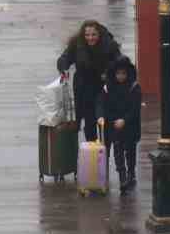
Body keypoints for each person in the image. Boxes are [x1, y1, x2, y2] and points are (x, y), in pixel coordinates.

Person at [56, 20, 121, 141]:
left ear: (99, 34)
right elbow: (65, 58)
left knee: (104, 120)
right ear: (83, 35)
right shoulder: (76, 44)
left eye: (93, 35)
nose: (90, 38)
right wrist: (63, 68)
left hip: (103, 87)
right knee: (89, 121)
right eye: (87, 35)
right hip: (83, 87)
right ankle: (92, 150)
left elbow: (120, 63)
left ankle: (104, 151)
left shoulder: (109, 45)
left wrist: (109, 74)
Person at [102, 56, 143, 193]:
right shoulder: (108, 88)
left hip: (130, 124)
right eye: (118, 74)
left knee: (130, 150)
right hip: (114, 124)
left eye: (123, 74)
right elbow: (104, 105)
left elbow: (135, 108)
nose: (120, 76)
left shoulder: (134, 87)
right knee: (118, 150)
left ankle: (131, 173)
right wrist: (108, 118)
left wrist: (124, 120)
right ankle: (122, 176)